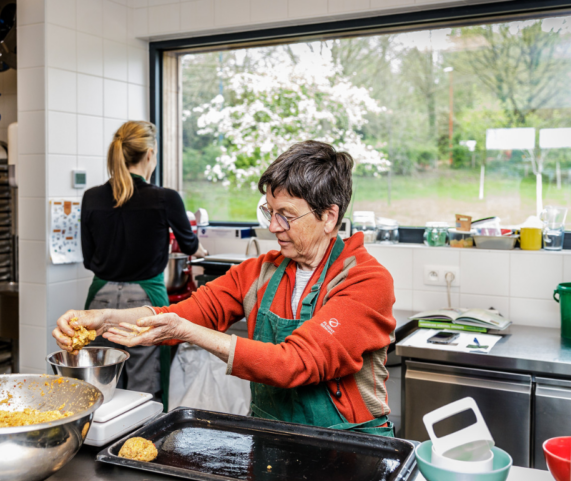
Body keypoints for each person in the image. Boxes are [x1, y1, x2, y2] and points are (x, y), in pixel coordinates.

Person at [56, 140, 397, 435]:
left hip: (350, 449)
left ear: (329, 217)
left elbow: (293, 363)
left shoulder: (366, 281)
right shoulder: (258, 273)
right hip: (271, 436)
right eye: (269, 212)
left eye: (287, 216)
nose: (274, 227)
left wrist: (187, 331)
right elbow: (181, 314)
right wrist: (105, 319)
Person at [79, 120, 207, 397]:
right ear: (150, 154)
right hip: (145, 302)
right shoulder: (165, 198)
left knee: (98, 389)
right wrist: (200, 251)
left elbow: (89, 260)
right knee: (146, 390)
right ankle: (143, 440)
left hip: (99, 299)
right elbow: (189, 245)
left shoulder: (91, 197)